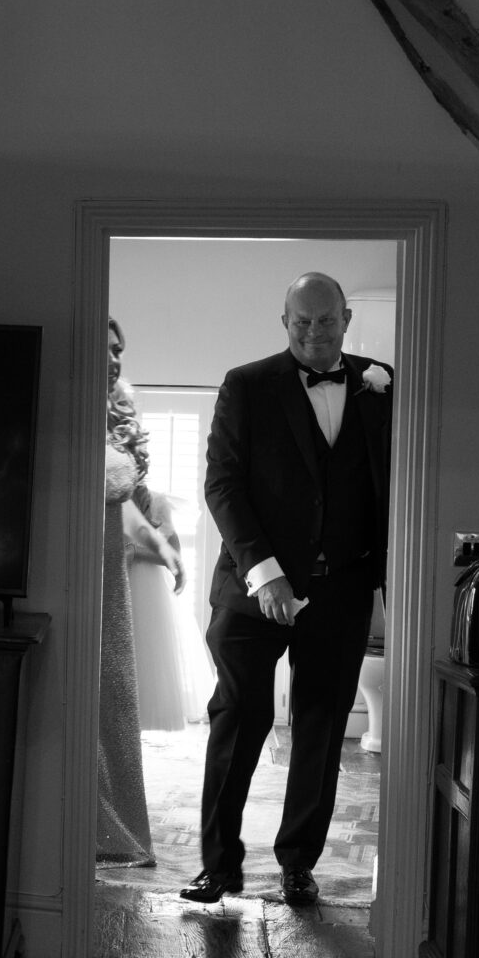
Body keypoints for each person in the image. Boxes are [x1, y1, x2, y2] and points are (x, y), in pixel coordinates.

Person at [183, 274, 390, 908]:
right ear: (284, 322)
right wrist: (265, 571)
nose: (314, 333)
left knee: (322, 729)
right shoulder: (247, 384)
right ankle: (219, 865)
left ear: (346, 319)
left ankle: (299, 863)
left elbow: (395, 485)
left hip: (342, 589)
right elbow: (222, 485)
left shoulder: (382, 385)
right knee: (239, 720)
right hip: (253, 591)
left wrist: (391, 582)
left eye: (326, 320)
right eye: (301, 322)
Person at [93, 320, 155, 866]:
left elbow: (128, 508)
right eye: (105, 348)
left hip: (113, 579)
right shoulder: (69, 413)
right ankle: (91, 824)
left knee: (115, 697)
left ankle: (122, 823)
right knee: (88, 696)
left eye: (119, 350)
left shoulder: (116, 417)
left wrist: (162, 544)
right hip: (81, 574)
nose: (114, 358)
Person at [124, 483, 187, 733]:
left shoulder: (157, 502)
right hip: (115, 583)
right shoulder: (107, 497)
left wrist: (135, 552)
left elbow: (174, 554)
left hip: (147, 591)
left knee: (144, 659)